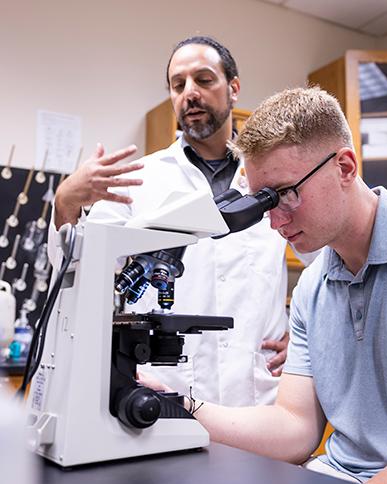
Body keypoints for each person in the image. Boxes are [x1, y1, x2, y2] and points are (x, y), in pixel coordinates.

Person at [154, 87, 387, 484]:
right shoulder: (312, 289)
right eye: (263, 204)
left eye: (284, 194)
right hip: (336, 482)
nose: (274, 221)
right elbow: (294, 428)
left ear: (345, 167)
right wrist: (178, 406)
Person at [50, 36, 301, 406]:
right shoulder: (141, 178)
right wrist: (65, 202)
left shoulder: (273, 178)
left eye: (203, 79)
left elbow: (330, 258)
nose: (190, 93)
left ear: (233, 88)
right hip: (166, 389)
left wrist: (305, 333)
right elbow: (80, 273)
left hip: (259, 397)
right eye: (178, 84)